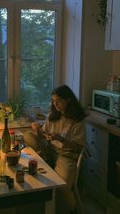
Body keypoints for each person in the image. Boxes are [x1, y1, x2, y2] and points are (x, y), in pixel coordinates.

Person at [23, 85, 86, 214]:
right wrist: (37, 129)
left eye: (58, 101)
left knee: (62, 186)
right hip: (50, 151)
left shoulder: (77, 120)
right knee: (28, 135)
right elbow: (43, 136)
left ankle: (70, 208)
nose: (55, 104)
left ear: (68, 100)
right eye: (53, 101)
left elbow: (78, 146)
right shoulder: (53, 116)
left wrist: (61, 139)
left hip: (66, 156)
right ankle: (45, 161)